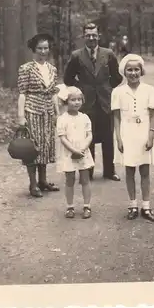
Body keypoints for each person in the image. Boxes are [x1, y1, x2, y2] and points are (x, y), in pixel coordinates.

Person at [63, 22, 123, 181]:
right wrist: (81, 88)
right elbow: (68, 79)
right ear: (83, 37)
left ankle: (110, 171)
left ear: (98, 36)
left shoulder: (108, 54)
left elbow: (117, 77)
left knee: (107, 137)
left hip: (105, 100)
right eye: (88, 35)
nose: (91, 38)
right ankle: (87, 170)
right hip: (86, 102)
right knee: (87, 136)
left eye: (94, 35)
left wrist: (107, 88)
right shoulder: (76, 55)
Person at [112, 54, 154, 222]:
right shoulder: (118, 92)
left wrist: (151, 135)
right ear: (124, 72)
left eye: (136, 69)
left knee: (145, 171)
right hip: (127, 132)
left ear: (142, 71)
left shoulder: (149, 90)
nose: (133, 73)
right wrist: (118, 137)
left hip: (144, 131)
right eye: (129, 70)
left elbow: (153, 114)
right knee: (130, 170)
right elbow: (116, 117)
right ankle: (132, 205)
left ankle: (146, 206)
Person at [17, 33, 60, 198]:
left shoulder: (52, 69)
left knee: (46, 146)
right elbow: (22, 93)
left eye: (46, 48)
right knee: (33, 148)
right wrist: (21, 117)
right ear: (34, 50)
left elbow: (54, 92)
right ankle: (33, 184)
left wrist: (56, 112)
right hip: (32, 111)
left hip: (48, 112)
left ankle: (43, 181)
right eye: (40, 48)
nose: (43, 51)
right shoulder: (26, 68)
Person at [56, 85, 94, 219]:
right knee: (70, 179)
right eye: (73, 100)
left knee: (85, 178)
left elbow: (89, 135)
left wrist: (82, 149)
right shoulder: (62, 119)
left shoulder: (85, 118)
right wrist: (73, 150)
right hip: (69, 153)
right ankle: (70, 206)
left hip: (83, 151)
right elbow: (62, 137)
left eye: (79, 99)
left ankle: (87, 205)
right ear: (66, 102)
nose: (76, 102)